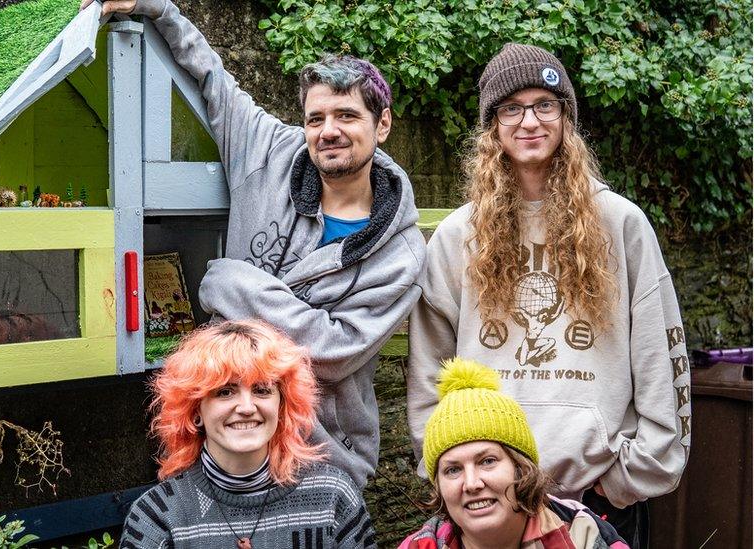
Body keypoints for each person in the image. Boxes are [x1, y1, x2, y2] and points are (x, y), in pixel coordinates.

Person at [84, 0, 426, 489]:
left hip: (323, 455)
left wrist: (231, 283)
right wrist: (155, 8)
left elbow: (331, 352)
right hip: (222, 441)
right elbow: (212, 77)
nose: (328, 131)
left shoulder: (401, 253)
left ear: (383, 124)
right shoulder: (267, 152)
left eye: (347, 116)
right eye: (316, 118)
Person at [406, 43, 691, 547]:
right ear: (492, 125)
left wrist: (626, 481)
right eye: (511, 108)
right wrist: (446, 464)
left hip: (599, 497)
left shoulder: (620, 223)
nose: (529, 121)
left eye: (545, 104)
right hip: (490, 501)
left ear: (566, 117)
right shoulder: (457, 235)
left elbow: (659, 355)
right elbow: (429, 367)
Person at [119, 320, 376, 548]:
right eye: (225, 392)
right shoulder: (159, 516)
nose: (246, 407)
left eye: (262, 390)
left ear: (282, 404)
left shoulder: (332, 496)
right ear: (194, 409)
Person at [400, 357, 630, 549]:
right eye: (452, 469)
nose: (471, 483)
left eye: (487, 461)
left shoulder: (581, 536)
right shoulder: (422, 545)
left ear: (521, 469)